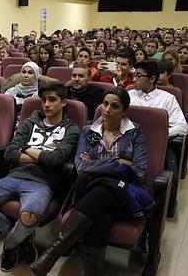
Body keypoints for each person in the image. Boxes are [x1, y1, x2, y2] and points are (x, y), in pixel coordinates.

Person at [28, 88, 153, 276]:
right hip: (91, 193)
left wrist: (95, 165)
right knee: (101, 211)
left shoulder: (134, 133)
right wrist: (118, 163)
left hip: (124, 195)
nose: (107, 109)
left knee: (102, 194)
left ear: (124, 111)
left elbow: (139, 171)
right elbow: (79, 166)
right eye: (105, 104)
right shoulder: (88, 131)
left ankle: (51, 255)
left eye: (114, 106)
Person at [0, 81, 79, 272]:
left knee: (28, 217)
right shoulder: (30, 122)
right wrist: (41, 155)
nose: (46, 104)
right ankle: (24, 237)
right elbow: (10, 152)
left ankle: (10, 245)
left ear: (63, 103)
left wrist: (26, 148)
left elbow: (56, 159)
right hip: (14, 175)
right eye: (43, 100)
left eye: (52, 100)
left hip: (42, 182)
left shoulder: (71, 129)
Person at [128, 60, 188, 216]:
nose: (135, 79)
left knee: (171, 170)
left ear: (152, 78)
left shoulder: (167, 98)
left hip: (157, 146)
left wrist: (159, 136)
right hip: (128, 144)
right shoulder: (129, 95)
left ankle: (165, 208)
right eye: (134, 74)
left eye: (139, 75)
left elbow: (183, 126)